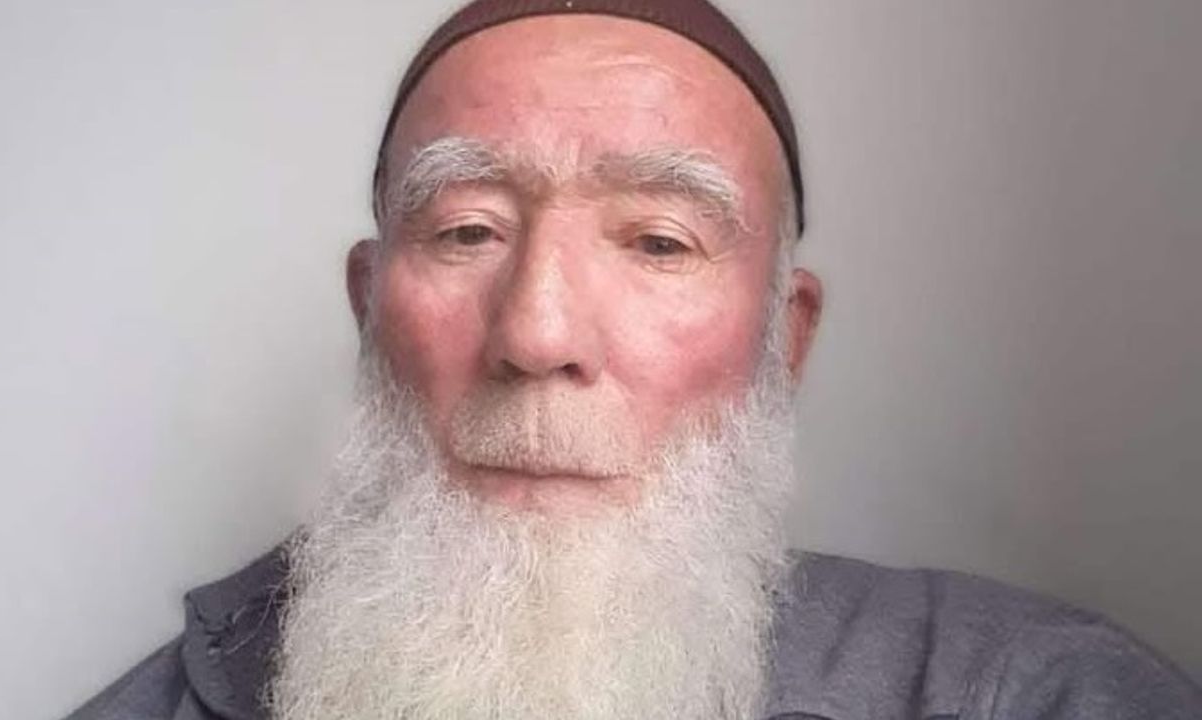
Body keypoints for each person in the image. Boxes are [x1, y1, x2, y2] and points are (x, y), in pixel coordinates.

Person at [66, 1, 1202, 719]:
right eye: (466, 230)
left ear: (783, 339)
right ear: (370, 309)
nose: (537, 335)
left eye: (659, 242)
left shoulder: (1024, 693)